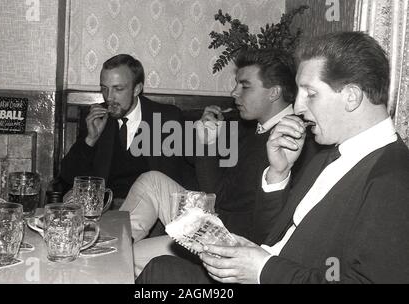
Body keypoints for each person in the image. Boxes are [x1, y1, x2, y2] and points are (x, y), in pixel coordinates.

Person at [138, 31, 409, 284]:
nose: (299, 107)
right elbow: (272, 233)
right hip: (265, 268)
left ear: (351, 97)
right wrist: (278, 175)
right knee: (159, 268)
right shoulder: (327, 155)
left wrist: (263, 268)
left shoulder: (394, 178)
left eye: (311, 94)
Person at [119, 48, 317, 276]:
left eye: (245, 86)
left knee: (131, 257)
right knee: (151, 180)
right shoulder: (253, 127)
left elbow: (220, 197)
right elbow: (212, 182)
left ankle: (114, 258)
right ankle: (115, 245)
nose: (234, 92)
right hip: (217, 215)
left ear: (273, 93)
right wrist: (206, 141)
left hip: (230, 239)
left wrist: (207, 147)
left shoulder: (288, 141)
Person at [58, 54, 186, 200]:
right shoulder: (96, 117)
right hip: (107, 208)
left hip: (152, 207)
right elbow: (68, 176)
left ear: (137, 89)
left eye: (118, 89)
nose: (109, 97)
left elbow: (176, 178)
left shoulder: (166, 118)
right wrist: (90, 140)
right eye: (104, 89)